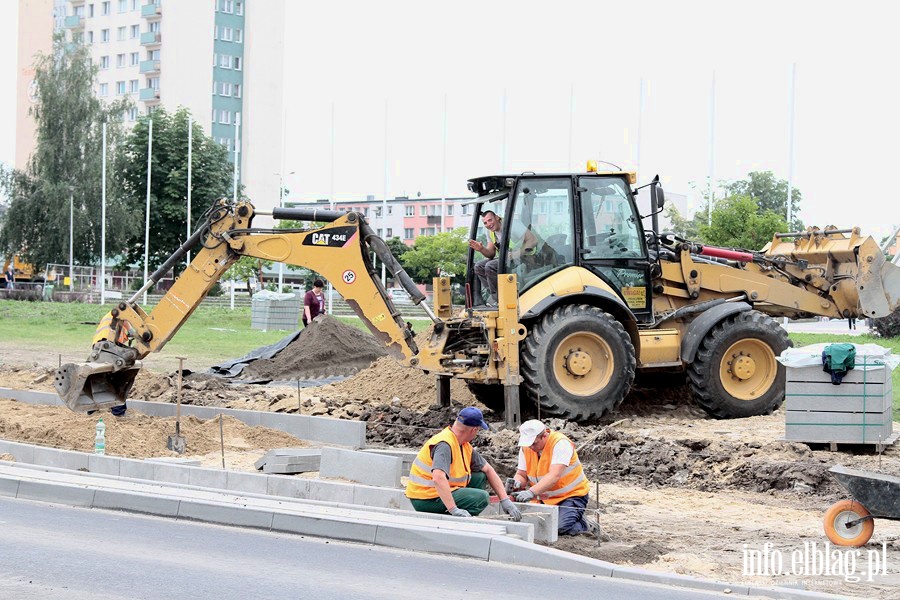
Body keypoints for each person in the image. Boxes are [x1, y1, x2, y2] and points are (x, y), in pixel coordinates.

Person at [406, 407, 522, 521]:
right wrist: (453, 509)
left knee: (480, 476)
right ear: (474, 430)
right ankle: (458, 520)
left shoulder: (463, 445)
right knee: (481, 498)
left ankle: (464, 513)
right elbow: (438, 477)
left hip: (437, 492)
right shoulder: (445, 444)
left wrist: (505, 500)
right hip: (424, 498)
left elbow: (488, 470)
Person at [512, 419, 598, 536]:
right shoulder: (526, 447)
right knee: (537, 526)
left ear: (544, 436)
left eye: (534, 443)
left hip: (570, 496)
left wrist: (531, 492)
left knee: (559, 529)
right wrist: (517, 482)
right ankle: (568, 517)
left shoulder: (560, 443)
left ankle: (586, 524)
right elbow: (521, 474)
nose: (531, 447)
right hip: (544, 498)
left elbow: (554, 475)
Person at [468, 211, 537, 304]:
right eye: (485, 223)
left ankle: (502, 300)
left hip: (525, 258)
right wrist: (481, 249)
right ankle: (496, 297)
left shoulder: (513, 225)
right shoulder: (491, 232)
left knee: (490, 266)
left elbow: (533, 240)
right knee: (479, 266)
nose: (488, 224)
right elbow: (491, 253)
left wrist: (515, 254)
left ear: (497, 217)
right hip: (508, 260)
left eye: (490, 220)